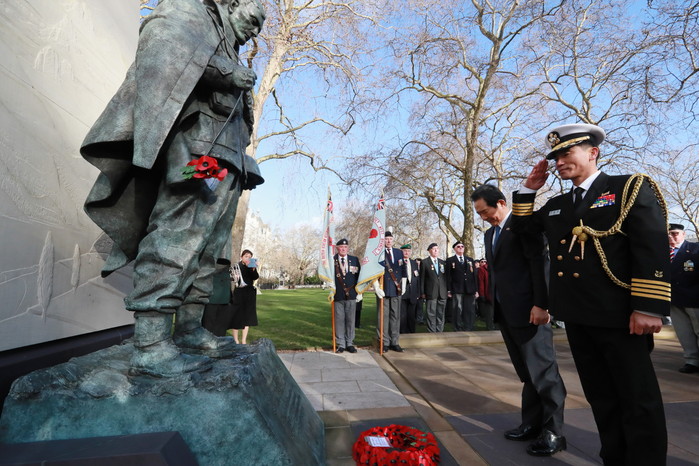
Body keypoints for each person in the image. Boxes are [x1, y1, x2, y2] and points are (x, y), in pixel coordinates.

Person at [80, 0, 266, 377]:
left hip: (227, 163)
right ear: (232, 5)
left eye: (260, 27)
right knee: (176, 238)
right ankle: (150, 344)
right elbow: (162, 46)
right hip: (196, 154)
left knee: (211, 251)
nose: (255, 31)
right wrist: (224, 71)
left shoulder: (229, 42)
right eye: (253, 19)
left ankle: (189, 329)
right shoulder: (190, 12)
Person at [512, 123, 670, 465]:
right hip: (578, 315)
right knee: (601, 397)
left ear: (592, 152)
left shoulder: (627, 187)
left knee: (637, 399)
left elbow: (650, 245)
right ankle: (615, 458)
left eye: (566, 153)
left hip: (621, 315)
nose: (559, 162)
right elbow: (522, 230)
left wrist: (648, 307)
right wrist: (528, 190)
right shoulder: (557, 205)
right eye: (555, 157)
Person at [472, 184, 567, 456]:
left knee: (544, 374)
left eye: (486, 211)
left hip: (530, 311)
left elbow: (540, 264)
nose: (484, 218)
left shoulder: (523, 226)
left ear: (502, 203)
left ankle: (554, 432)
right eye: (479, 214)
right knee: (527, 373)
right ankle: (532, 424)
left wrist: (542, 304)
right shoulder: (490, 234)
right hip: (507, 312)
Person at [668, 223, 699, 374]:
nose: (671, 237)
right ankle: (692, 361)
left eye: (675, 233)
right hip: (673, 299)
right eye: (668, 234)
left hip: (694, 297)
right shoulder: (660, 252)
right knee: (683, 332)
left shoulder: (695, 249)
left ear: (683, 234)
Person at [374, 231, 405, 352]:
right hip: (384, 288)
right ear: (383, 240)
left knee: (395, 316)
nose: (388, 241)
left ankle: (394, 342)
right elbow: (374, 271)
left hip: (396, 288)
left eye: (390, 239)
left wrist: (403, 284)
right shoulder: (378, 253)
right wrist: (376, 286)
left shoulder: (399, 252)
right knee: (383, 317)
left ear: (393, 240)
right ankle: (384, 342)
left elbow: (403, 269)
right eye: (386, 239)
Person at [332, 239, 361, 353]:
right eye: (341, 247)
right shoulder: (332, 260)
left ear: (348, 248)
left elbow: (359, 277)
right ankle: (341, 344)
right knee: (339, 320)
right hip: (338, 294)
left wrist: (360, 292)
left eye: (345, 247)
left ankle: (349, 343)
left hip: (352, 294)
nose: (343, 249)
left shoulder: (354, 260)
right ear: (337, 248)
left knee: (350, 320)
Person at [445, 241, 479, 331]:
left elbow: (474, 276)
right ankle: (457, 328)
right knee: (457, 309)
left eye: (462, 246)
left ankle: (468, 327)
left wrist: (476, 290)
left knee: (469, 309)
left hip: (469, 289)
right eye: (458, 246)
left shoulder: (470, 260)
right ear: (454, 249)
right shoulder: (450, 260)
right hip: (457, 289)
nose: (460, 248)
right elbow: (448, 276)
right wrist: (449, 290)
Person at [230, 249, 259, 344]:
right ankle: (236, 340)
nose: (248, 258)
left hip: (249, 293)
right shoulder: (236, 266)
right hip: (239, 293)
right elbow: (232, 278)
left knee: (247, 317)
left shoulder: (251, 266)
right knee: (236, 316)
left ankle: (244, 340)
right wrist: (234, 276)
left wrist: (253, 269)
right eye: (246, 256)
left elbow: (255, 277)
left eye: (250, 257)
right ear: (241, 257)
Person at [202, 258, 234, 337]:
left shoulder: (210, 272)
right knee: (219, 326)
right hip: (220, 302)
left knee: (209, 325)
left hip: (212, 301)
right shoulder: (226, 273)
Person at [420, 243, 448, 333]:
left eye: (437, 248)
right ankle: (432, 332)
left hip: (442, 292)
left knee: (441, 313)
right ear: (429, 251)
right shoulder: (425, 262)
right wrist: (422, 292)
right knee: (431, 313)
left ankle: (440, 331)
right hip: (431, 292)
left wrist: (447, 290)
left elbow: (445, 277)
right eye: (433, 249)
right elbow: (422, 278)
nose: (436, 250)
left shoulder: (442, 262)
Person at [399, 244, 421, 334]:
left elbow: (417, 278)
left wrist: (418, 293)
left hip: (413, 293)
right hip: (402, 292)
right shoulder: (399, 262)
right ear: (401, 252)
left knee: (412, 315)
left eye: (408, 251)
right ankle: (402, 332)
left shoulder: (414, 263)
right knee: (402, 314)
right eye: (405, 251)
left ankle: (411, 332)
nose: (407, 253)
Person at [477, 259, 495, 330]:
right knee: (489, 312)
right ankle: (490, 327)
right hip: (488, 294)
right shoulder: (482, 269)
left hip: (496, 293)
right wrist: (482, 294)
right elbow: (481, 282)